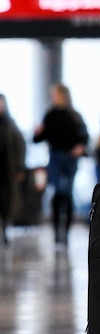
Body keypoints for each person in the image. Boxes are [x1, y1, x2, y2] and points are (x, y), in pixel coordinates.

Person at [33, 84, 89, 246]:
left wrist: (80, 147)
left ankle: (66, 232)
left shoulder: (74, 116)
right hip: (56, 157)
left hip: (70, 158)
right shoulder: (50, 116)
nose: (53, 97)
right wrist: (37, 132)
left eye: (56, 94)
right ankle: (57, 231)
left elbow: (84, 137)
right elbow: (38, 139)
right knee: (58, 192)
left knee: (68, 193)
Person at [0, 94, 26, 245]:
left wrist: (20, 168)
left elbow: (20, 146)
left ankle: (5, 230)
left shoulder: (11, 125)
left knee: (6, 201)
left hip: (6, 171)